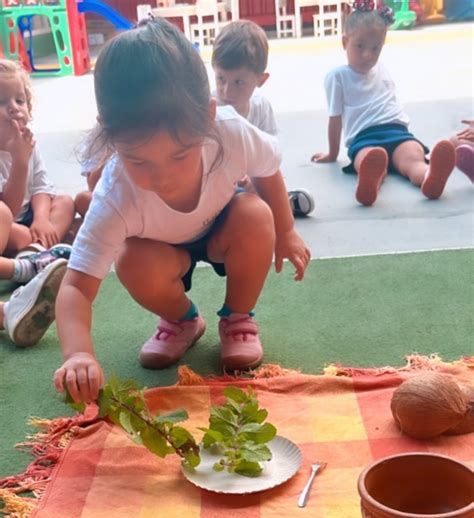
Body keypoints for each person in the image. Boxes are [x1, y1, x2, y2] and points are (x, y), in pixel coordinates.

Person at [53, 19, 310, 404]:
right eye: (139, 161)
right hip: (159, 249)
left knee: (257, 216)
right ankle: (182, 320)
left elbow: (268, 169)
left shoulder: (231, 131)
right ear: (110, 136)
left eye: (179, 155)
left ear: (208, 116)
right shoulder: (114, 195)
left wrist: (287, 231)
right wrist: (78, 354)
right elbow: (74, 286)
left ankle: (238, 317)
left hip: (225, 226)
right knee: (130, 259)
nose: (163, 177)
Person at [311, 0, 456, 206]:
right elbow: (335, 119)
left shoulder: (382, 69)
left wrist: (334, 155)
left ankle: (429, 177)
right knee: (368, 157)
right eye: (359, 45)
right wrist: (332, 154)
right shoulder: (337, 76)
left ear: (382, 46)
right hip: (364, 137)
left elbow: (391, 104)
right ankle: (373, 178)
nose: (367, 54)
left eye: (375, 48)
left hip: (397, 132)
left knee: (412, 159)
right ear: (345, 42)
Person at [212, 20, 315, 218]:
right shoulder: (210, 108)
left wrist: (255, 179)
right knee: (245, 212)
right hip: (217, 192)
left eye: (239, 82)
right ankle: (285, 204)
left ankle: (282, 203)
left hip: (253, 185)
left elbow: (272, 156)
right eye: (220, 78)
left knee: (258, 201)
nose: (227, 90)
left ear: (261, 80)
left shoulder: (261, 107)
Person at [0, 59, 75, 252]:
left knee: (65, 202)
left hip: (28, 216)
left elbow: (40, 187)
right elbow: (8, 210)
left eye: (19, 100)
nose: (14, 108)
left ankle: (40, 249)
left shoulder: (28, 142)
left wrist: (41, 219)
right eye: (1, 102)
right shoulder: (20, 152)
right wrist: (20, 161)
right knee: (21, 235)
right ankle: (44, 247)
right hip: (7, 224)